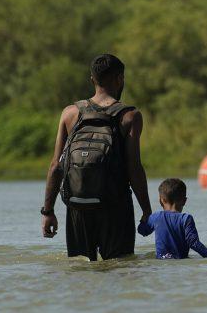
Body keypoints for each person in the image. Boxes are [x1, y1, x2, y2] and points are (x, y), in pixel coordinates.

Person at [40, 54, 152, 260]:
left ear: (92, 80)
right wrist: (147, 211)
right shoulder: (130, 116)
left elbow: (56, 166)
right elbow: (134, 167)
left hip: (77, 205)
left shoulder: (70, 113)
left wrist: (48, 212)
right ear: (120, 79)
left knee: (80, 269)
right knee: (120, 266)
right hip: (115, 205)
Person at [138, 178, 207, 259]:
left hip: (162, 263)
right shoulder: (186, 219)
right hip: (181, 262)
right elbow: (193, 243)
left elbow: (142, 231)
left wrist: (144, 218)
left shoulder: (156, 217)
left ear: (161, 200)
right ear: (184, 201)